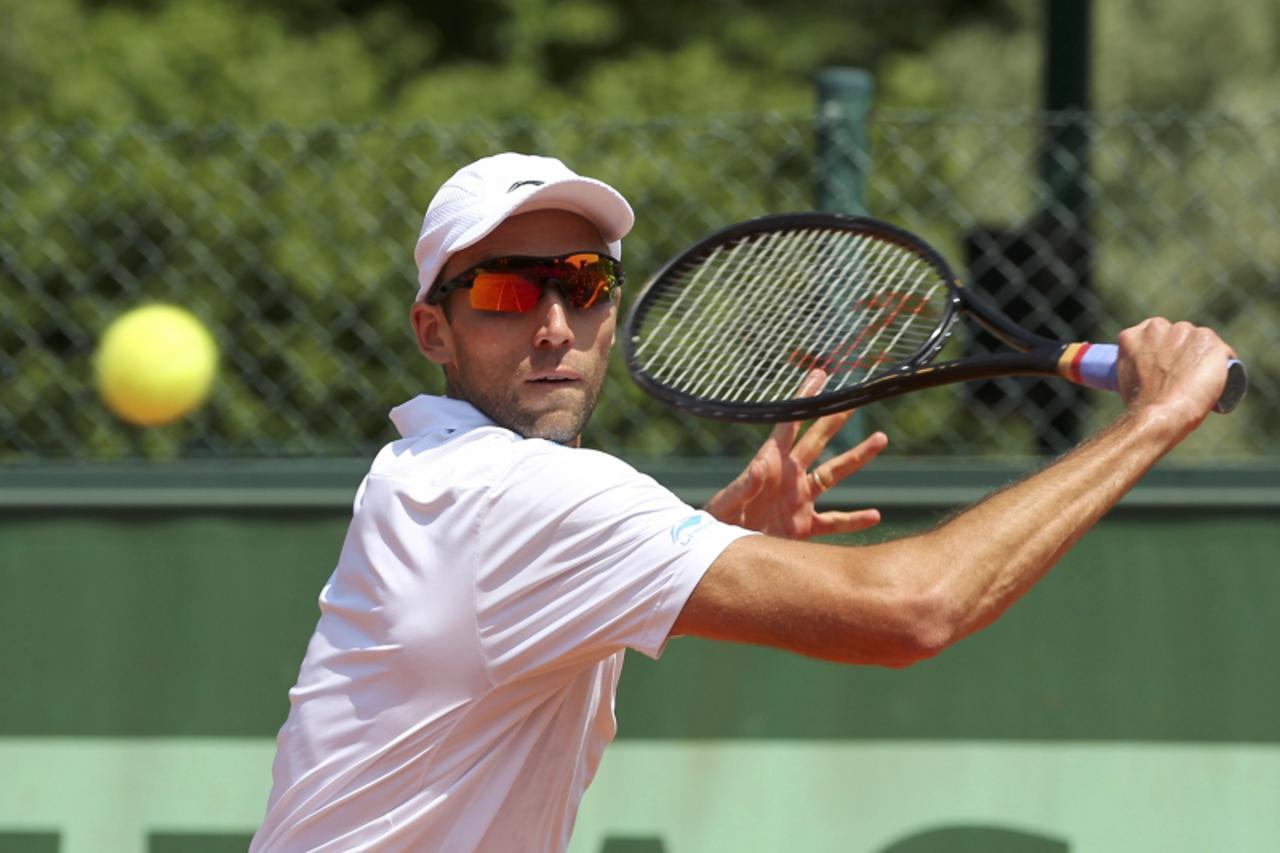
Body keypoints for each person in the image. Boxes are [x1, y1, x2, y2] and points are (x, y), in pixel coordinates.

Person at [251, 153, 1236, 851]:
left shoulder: (436, 478)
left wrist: (719, 543)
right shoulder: (504, 492)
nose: (554, 324)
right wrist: (1151, 420)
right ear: (434, 330)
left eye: (584, 282)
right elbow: (914, 608)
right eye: (506, 294)